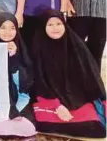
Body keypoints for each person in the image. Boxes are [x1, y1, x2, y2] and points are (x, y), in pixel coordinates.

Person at [31, 10, 106, 138]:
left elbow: (90, 76)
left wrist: (101, 100)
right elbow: (37, 80)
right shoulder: (38, 47)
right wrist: (56, 105)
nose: (55, 28)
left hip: (77, 99)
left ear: (64, 25)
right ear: (44, 27)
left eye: (58, 24)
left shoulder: (76, 46)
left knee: (96, 128)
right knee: (37, 123)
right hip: (48, 98)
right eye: (50, 25)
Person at [0, 12, 36, 137]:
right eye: (3, 28)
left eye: (12, 28)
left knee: (27, 126)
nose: (8, 32)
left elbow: (26, 82)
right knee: (2, 127)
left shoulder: (22, 49)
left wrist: (13, 57)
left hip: (19, 98)